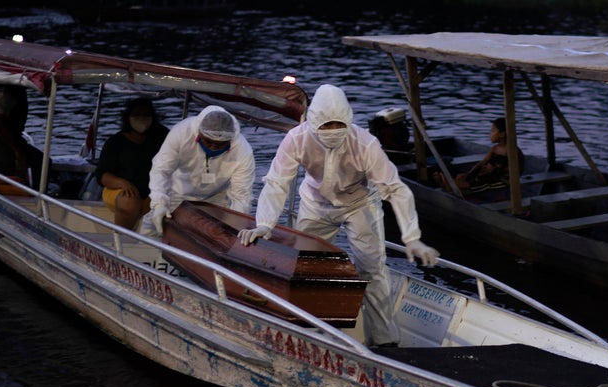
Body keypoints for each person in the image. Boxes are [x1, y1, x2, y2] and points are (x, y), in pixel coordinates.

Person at [236, 84, 440, 347]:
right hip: (315, 204)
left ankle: (385, 339)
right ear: (313, 122)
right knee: (306, 268)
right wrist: (264, 224)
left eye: (338, 126)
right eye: (326, 126)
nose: (332, 132)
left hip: (359, 203)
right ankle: (309, 329)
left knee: (372, 268)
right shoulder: (297, 139)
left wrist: (412, 237)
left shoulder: (366, 144)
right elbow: (277, 182)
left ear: (348, 120)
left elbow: (395, 190)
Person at [143, 105, 255, 237]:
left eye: (219, 145)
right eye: (208, 142)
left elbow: (241, 195)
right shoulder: (181, 132)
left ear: (230, 140)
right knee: (151, 225)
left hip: (216, 196)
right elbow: (161, 170)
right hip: (178, 191)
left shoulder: (243, 150)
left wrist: (236, 224)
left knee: (219, 235)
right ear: (199, 133)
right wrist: (159, 203)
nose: (212, 147)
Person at [94, 97, 169, 228]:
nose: (142, 118)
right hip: (120, 191)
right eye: (137, 114)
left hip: (155, 191)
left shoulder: (162, 136)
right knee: (129, 200)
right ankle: (122, 239)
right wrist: (123, 183)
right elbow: (102, 175)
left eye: (146, 115)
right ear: (128, 117)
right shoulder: (115, 142)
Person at [454, 117, 523, 193]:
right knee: (469, 177)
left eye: (492, 131)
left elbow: (516, 171)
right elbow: (482, 162)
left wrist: (494, 169)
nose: (490, 134)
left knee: (482, 185)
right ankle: (455, 186)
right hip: (491, 176)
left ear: (502, 134)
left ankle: (458, 188)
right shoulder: (495, 148)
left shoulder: (511, 151)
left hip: (503, 181)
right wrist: (469, 174)